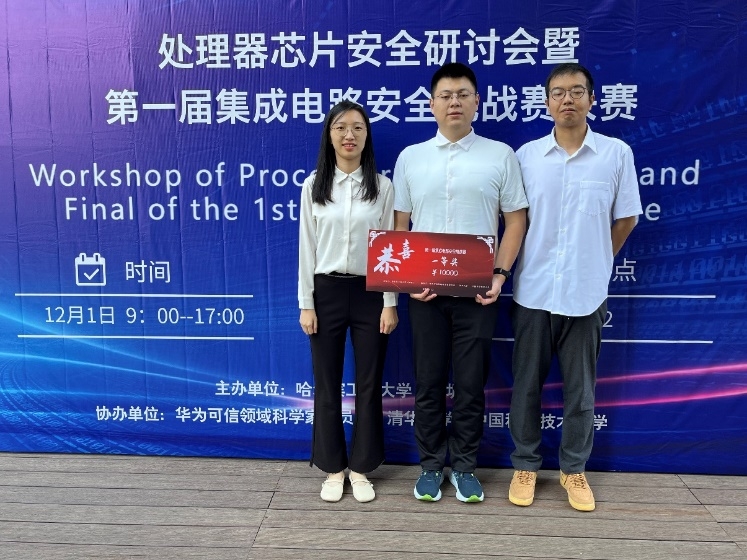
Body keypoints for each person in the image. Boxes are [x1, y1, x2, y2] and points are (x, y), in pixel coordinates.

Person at [507, 63, 642, 512]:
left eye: (577, 91)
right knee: (526, 385)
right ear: (547, 102)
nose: (568, 99)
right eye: (559, 92)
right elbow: (515, 221)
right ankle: (526, 464)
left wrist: (597, 260)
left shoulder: (615, 154)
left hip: (586, 294)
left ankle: (573, 469)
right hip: (533, 291)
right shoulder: (527, 156)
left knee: (581, 391)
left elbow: (626, 218)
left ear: (591, 99)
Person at [393, 62, 528, 503]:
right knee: (428, 382)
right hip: (425, 293)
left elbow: (516, 220)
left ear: (476, 102)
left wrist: (500, 274)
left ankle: (466, 466)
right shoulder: (411, 157)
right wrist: (408, 280)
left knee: (471, 384)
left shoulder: (499, 155)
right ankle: (432, 465)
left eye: (463, 94)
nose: (454, 102)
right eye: (446, 95)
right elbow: (400, 226)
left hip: (479, 293)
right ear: (432, 104)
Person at [298, 100, 398, 503]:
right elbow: (306, 247)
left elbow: (390, 247)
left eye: (357, 127)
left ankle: (360, 468)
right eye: (340, 127)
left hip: (371, 292)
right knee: (327, 383)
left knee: (369, 383)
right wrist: (307, 303)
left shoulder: (382, 187)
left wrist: (390, 301)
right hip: (326, 292)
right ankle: (333, 468)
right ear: (330, 135)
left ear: (367, 135)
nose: (349, 135)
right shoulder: (314, 185)